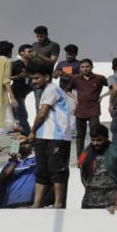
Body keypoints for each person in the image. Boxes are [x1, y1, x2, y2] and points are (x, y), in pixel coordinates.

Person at [25, 67, 75, 208]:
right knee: (42, 171)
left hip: (57, 136)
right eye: (32, 78)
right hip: (44, 135)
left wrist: (32, 131)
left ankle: (58, 203)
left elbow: (42, 114)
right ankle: (37, 204)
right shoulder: (46, 90)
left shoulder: (51, 89)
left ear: (46, 77)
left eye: (36, 78)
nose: (33, 81)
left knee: (56, 170)